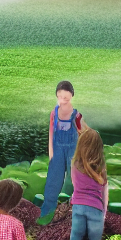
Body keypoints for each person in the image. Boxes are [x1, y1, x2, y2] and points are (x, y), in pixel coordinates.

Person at [38, 81, 85, 224]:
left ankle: (77, 214)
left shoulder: (76, 115)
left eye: (66, 97)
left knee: (77, 179)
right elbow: (51, 130)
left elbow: (82, 131)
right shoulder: (55, 112)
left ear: (72, 96)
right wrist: (50, 149)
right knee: (54, 179)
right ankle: (46, 214)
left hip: (73, 149)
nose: (63, 99)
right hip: (57, 149)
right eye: (60, 96)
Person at [69, 128, 109, 240]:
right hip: (95, 208)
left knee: (75, 238)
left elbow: (75, 185)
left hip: (78, 206)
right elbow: (104, 192)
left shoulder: (75, 163)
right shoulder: (101, 167)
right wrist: (104, 212)